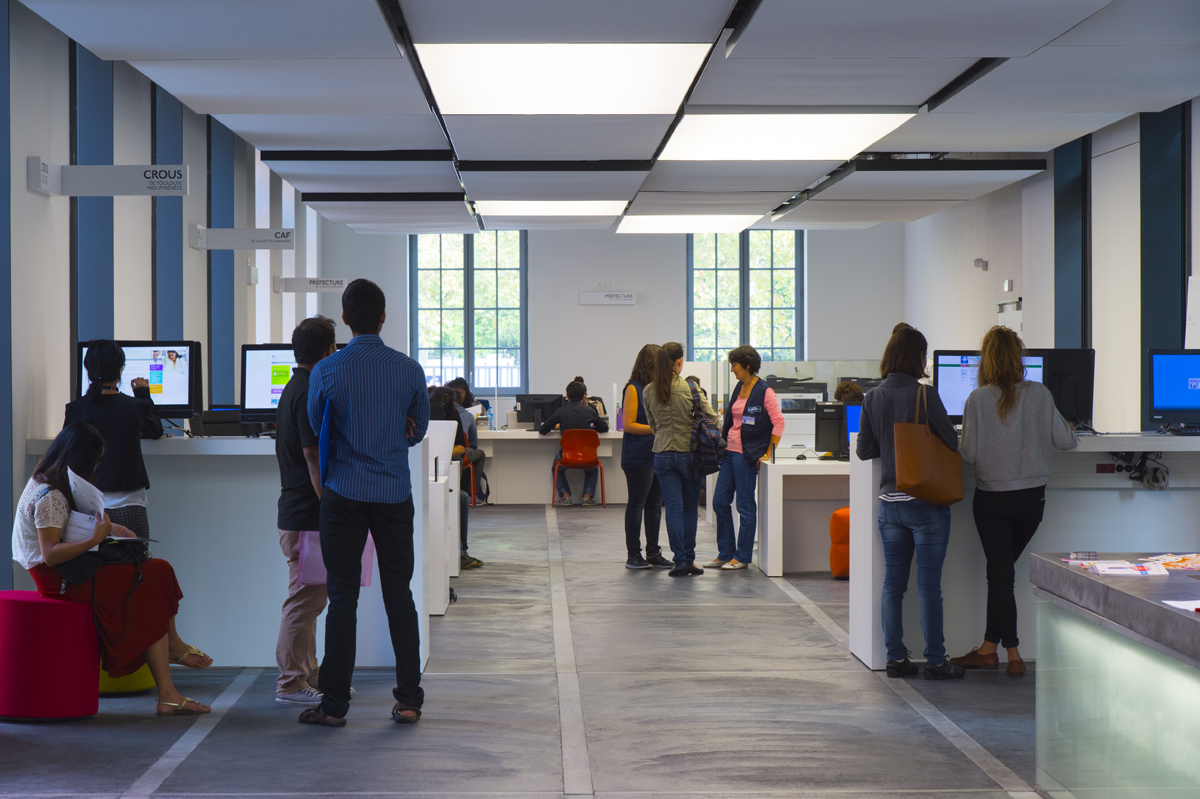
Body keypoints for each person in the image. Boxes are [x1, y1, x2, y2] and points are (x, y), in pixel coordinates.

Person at [11, 422, 213, 715]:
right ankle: (172, 663)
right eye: (95, 461)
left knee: (153, 574)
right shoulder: (50, 497)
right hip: (59, 579)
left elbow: (64, 531)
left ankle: (170, 679)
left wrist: (109, 528)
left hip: (67, 570)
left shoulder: (46, 481)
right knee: (155, 573)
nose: (96, 467)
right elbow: (51, 554)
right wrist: (96, 537)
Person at [301, 278, 429, 728]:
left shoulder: (326, 371)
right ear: (384, 315)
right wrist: (397, 433)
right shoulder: (409, 369)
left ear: (345, 318)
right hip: (394, 492)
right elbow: (419, 430)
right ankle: (409, 698)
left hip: (343, 495)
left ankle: (334, 706)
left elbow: (319, 428)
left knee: (342, 599)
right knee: (400, 595)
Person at [949, 327, 1078, 676]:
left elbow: (970, 454)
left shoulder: (977, 399)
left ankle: (1007, 652)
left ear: (986, 360)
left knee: (1000, 576)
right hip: (1031, 502)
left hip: (992, 501)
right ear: (1018, 358)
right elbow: (1066, 442)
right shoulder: (1040, 394)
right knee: (1001, 574)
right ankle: (1000, 650)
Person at [856, 326, 964, 681]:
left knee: (893, 584)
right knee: (929, 584)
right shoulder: (925, 395)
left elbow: (864, 450)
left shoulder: (871, 397)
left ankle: (896, 658)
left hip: (889, 505)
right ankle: (935, 660)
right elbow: (951, 441)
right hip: (926, 505)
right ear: (917, 356)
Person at [273, 315, 337, 707]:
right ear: (329, 350)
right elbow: (312, 455)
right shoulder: (311, 387)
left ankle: (307, 672)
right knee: (305, 599)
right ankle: (291, 682)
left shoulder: (294, 386)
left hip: (297, 511)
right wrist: (329, 503)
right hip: (307, 513)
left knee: (312, 598)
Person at [65, 340, 164, 537]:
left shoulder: (76, 409)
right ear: (120, 370)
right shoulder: (135, 406)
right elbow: (156, 431)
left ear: (89, 370)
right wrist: (144, 393)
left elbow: (66, 450)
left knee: (94, 563)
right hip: (130, 501)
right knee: (135, 560)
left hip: (87, 502)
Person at [703, 345, 785, 571]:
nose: (732, 370)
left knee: (745, 506)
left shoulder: (765, 391)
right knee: (720, 502)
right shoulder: (739, 386)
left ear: (747, 365)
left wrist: (768, 452)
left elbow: (778, 423)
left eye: (735, 365)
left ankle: (742, 557)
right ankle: (726, 553)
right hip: (729, 453)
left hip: (747, 456)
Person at [643, 341, 717, 577]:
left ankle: (679, 561)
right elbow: (713, 418)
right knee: (689, 509)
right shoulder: (691, 388)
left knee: (673, 509)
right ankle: (689, 560)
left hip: (662, 455)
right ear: (679, 362)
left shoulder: (648, 390)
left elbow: (653, 427)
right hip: (689, 456)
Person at [621, 345, 669, 569]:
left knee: (654, 505)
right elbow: (628, 425)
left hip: (657, 453)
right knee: (637, 504)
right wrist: (658, 428)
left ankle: (653, 553)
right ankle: (633, 554)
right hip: (638, 455)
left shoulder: (657, 388)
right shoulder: (633, 388)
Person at [429, 386, 482, 569]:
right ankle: (460, 553)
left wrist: (441, 451)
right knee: (460, 497)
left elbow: (462, 447)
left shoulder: (454, 415)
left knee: (460, 497)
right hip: (426, 469)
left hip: (443, 467)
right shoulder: (421, 413)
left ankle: (461, 552)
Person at [540, 380, 609, 506]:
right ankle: (587, 497)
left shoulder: (560, 411)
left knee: (556, 468)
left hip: (566, 457)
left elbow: (543, 430)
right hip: (588, 457)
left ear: (566, 396)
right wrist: (589, 429)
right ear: (584, 396)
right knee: (592, 469)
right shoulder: (590, 411)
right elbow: (604, 428)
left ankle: (565, 497)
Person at [445, 377, 485, 498]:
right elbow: (473, 443)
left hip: (441, 453)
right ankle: (474, 492)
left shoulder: (442, 410)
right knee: (480, 453)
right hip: (461, 453)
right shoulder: (467, 415)